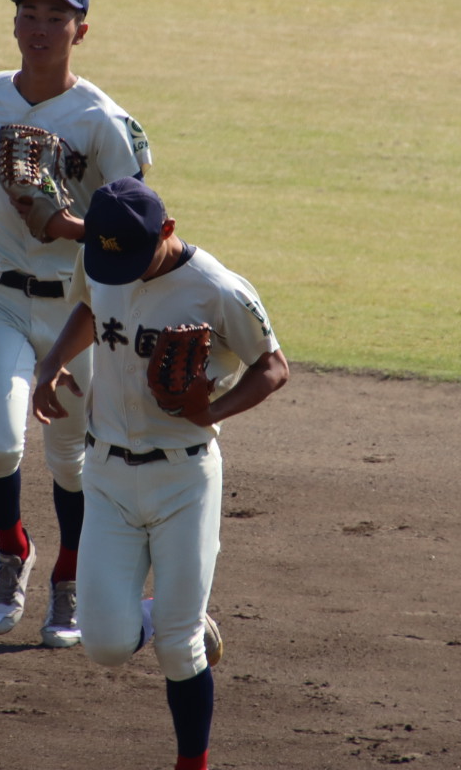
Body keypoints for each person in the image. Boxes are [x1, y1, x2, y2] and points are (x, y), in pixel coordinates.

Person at [0, 0, 151, 647]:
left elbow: (139, 225)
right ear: (13, 22)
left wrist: (68, 225)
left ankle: (67, 578)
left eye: (58, 17)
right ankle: (15, 551)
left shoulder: (105, 123)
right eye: (30, 14)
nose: (42, 29)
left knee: (70, 458)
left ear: (82, 29)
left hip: (74, 311)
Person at [32, 178, 289, 770]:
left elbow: (273, 367)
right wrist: (51, 363)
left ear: (167, 231)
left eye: (131, 257)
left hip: (184, 480)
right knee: (104, 644)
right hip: (106, 474)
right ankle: (168, 609)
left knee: (179, 649)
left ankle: (191, 761)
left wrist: (213, 411)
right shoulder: (103, 258)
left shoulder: (216, 289)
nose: (114, 269)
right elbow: (91, 308)